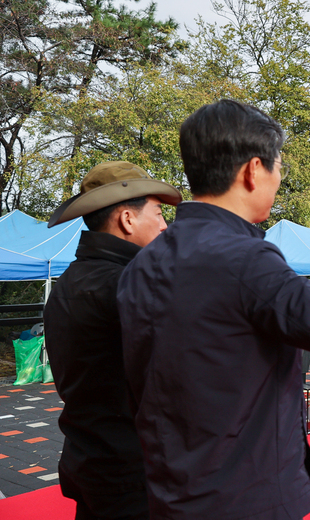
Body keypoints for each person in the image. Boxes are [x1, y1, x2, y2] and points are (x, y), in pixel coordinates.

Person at [117, 100, 310, 519]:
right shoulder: (245, 260)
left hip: (172, 490)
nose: (279, 178)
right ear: (253, 170)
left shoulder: (142, 264)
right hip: (245, 496)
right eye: (278, 166)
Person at [43, 161, 182, 520]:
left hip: (88, 456)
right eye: (158, 212)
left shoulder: (71, 281)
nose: (165, 224)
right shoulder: (130, 285)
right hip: (134, 471)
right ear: (127, 219)